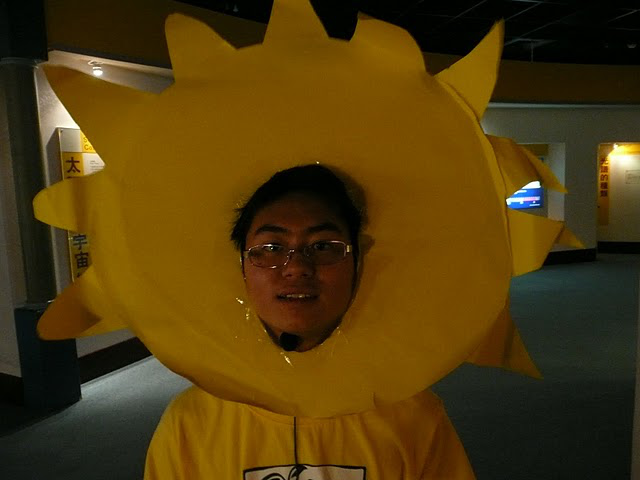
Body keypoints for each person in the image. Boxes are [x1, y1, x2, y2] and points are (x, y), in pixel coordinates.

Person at [144, 164, 476, 479]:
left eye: (323, 246)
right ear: (241, 267)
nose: (296, 267)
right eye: (271, 247)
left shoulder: (414, 418)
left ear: (358, 264)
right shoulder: (189, 424)